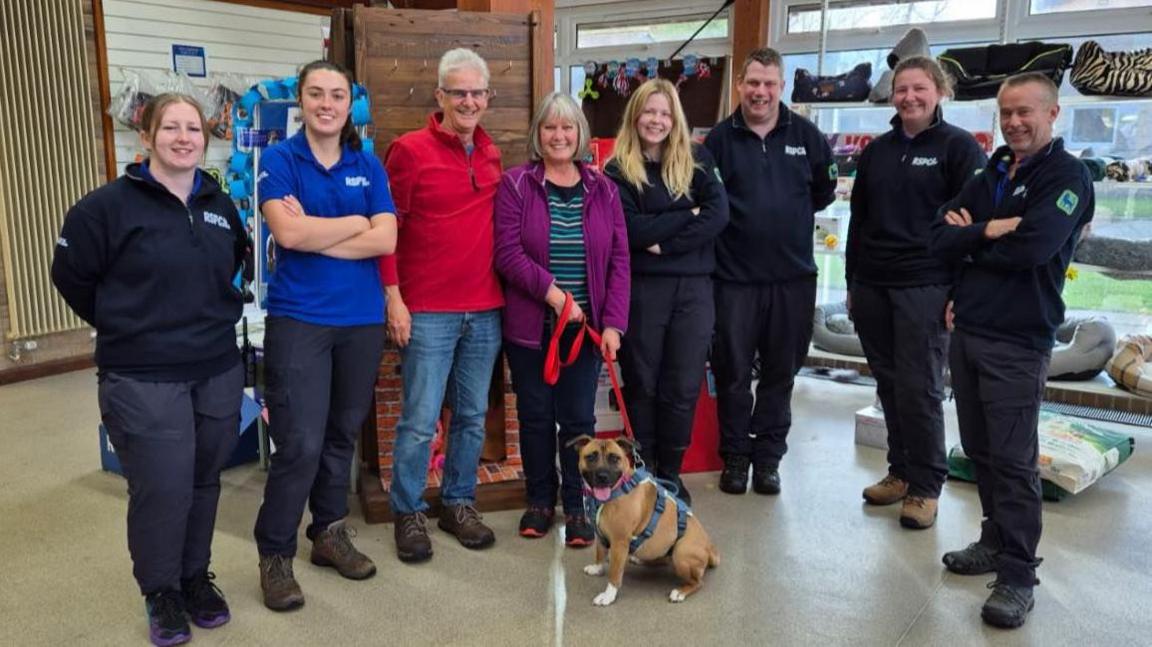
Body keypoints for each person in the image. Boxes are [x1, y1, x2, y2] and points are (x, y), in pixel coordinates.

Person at [51, 93, 249, 646]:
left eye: (193, 129)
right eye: (171, 128)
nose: (184, 137)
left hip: (215, 367)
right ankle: (160, 590)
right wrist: (124, 323)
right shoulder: (105, 208)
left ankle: (193, 577)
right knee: (162, 487)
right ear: (147, 136)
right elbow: (71, 277)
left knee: (205, 479)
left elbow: (233, 265)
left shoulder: (219, 203)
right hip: (141, 373)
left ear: (205, 140)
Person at [929, 72, 1094, 629]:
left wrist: (971, 238)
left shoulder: (1069, 176)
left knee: (1013, 459)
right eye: (1006, 112)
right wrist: (989, 230)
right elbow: (937, 235)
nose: (1015, 122)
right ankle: (993, 541)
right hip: (969, 330)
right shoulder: (993, 169)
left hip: (1019, 339)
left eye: (1026, 112)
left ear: (1053, 114)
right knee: (978, 450)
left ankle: (1019, 574)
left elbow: (1034, 247)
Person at [253, 60, 397, 611]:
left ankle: (329, 534)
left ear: (348, 104)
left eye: (337, 95)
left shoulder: (367, 162)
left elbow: (387, 239)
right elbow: (286, 231)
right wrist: (355, 224)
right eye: (317, 94)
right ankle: (275, 555)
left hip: (360, 320)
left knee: (341, 434)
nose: (327, 104)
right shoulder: (281, 159)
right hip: (301, 319)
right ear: (302, 99)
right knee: (301, 443)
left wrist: (316, 234)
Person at [845, 56, 987, 529]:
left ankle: (926, 485)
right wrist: (852, 282)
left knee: (921, 388)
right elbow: (858, 222)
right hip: (873, 285)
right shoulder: (877, 151)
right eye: (902, 89)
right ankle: (900, 472)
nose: (909, 97)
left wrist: (960, 292)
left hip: (925, 285)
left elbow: (975, 230)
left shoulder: (959, 149)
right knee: (888, 386)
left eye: (919, 88)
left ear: (939, 91)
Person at [381, 48, 505, 563]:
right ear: (440, 96)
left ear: (487, 98)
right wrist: (394, 299)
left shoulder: (493, 154)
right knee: (418, 419)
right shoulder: (408, 152)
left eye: (477, 93)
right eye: (459, 92)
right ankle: (408, 510)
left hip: (486, 309)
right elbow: (388, 231)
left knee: (473, 416)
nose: (469, 101)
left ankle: (457, 501)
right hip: (427, 309)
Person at [494, 92, 630, 545]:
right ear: (539, 134)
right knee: (534, 418)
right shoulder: (516, 185)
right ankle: (539, 501)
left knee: (577, 423)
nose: (559, 135)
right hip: (531, 330)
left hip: (586, 334)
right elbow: (507, 254)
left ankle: (578, 506)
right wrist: (555, 297)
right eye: (550, 127)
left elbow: (619, 262)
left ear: (580, 135)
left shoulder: (604, 189)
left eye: (567, 127)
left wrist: (612, 324)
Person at [703, 48, 836, 496]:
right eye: (753, 83)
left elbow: (823, 192)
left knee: (781, 373)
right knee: (733, 373)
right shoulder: (718, 141)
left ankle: (768, 460)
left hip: (793, 280)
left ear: (781, 88)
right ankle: (737, 456)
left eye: (769, 84)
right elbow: (705, 202)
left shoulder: (809, 137)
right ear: (740, 85)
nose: (760, 92)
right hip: (733, 281)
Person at [605, 79, 728, 504]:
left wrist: (665, 241)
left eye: (664, 113)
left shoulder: (697, 157)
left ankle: (671, 474)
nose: (656, 120)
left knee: (683, 383)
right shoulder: (617, 169)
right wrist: (685, 211)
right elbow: (631, 229)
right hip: (642, 291)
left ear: (674, 118)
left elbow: (717, 215)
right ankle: (645, 471)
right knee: (643, 384)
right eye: (648, 112)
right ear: (635, 116)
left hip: (694, 289)